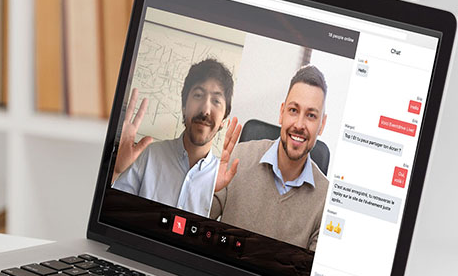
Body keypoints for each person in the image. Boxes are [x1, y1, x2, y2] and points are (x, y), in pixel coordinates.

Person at [210, 65, 331, 251]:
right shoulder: (237, 159)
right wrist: (206, 185)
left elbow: (308, 274)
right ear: (281, 112)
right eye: (293, 110)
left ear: (321, 125)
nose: (299, 124)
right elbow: (192, 224)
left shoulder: (326, 201)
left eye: (311, 115)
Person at [112, 59, 241, 217]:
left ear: (224, 121)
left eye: (216, 101)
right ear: (184, 107)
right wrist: (115, 170)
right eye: (198, 95)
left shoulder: (222, 179)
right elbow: (114, 215)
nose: (206, 110)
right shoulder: (149, 155)